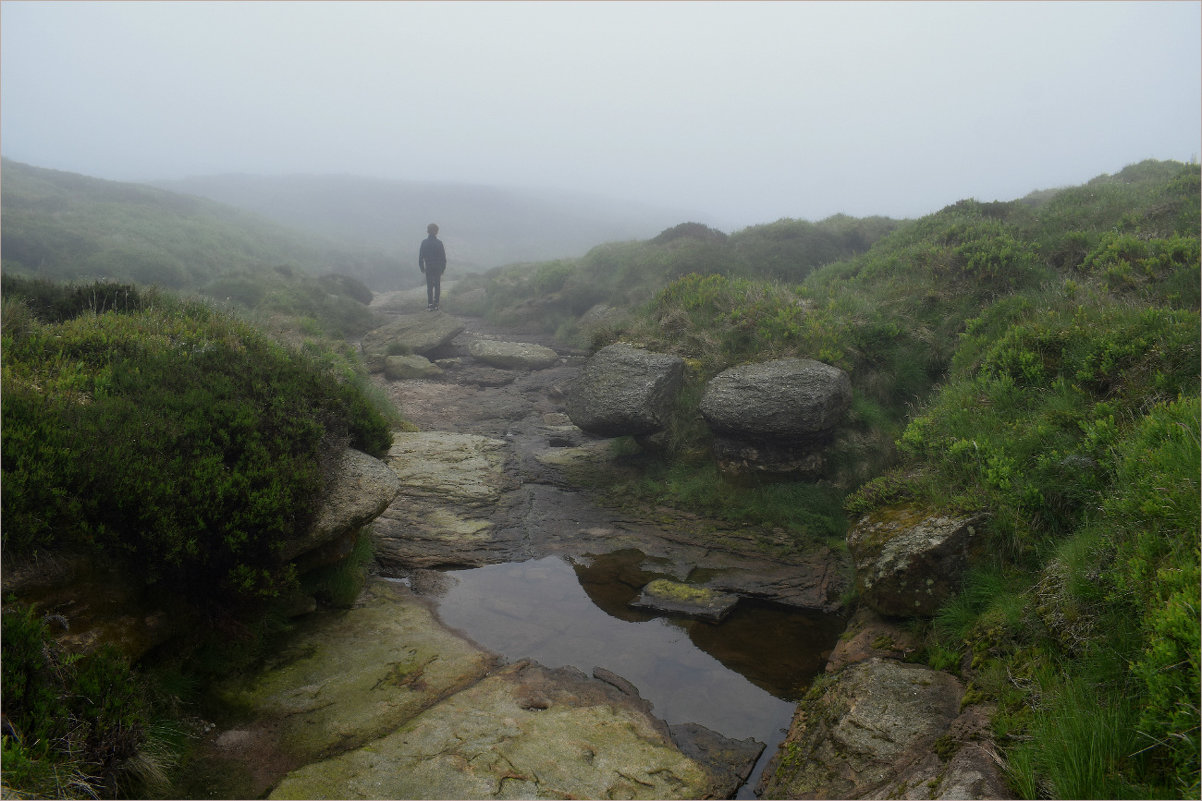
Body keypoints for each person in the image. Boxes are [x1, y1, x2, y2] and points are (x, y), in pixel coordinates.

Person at [418, 223, 447, 311]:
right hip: (438, 267)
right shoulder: (439, 243)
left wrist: (422, 268)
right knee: (437, 286)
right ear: (436, 232)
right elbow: (443, 258)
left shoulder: (424, 242)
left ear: (428, 231)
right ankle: (436, 304)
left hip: (429, 267)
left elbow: (421, 257)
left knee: (429, 286)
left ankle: (430, 304)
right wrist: (443, 269)